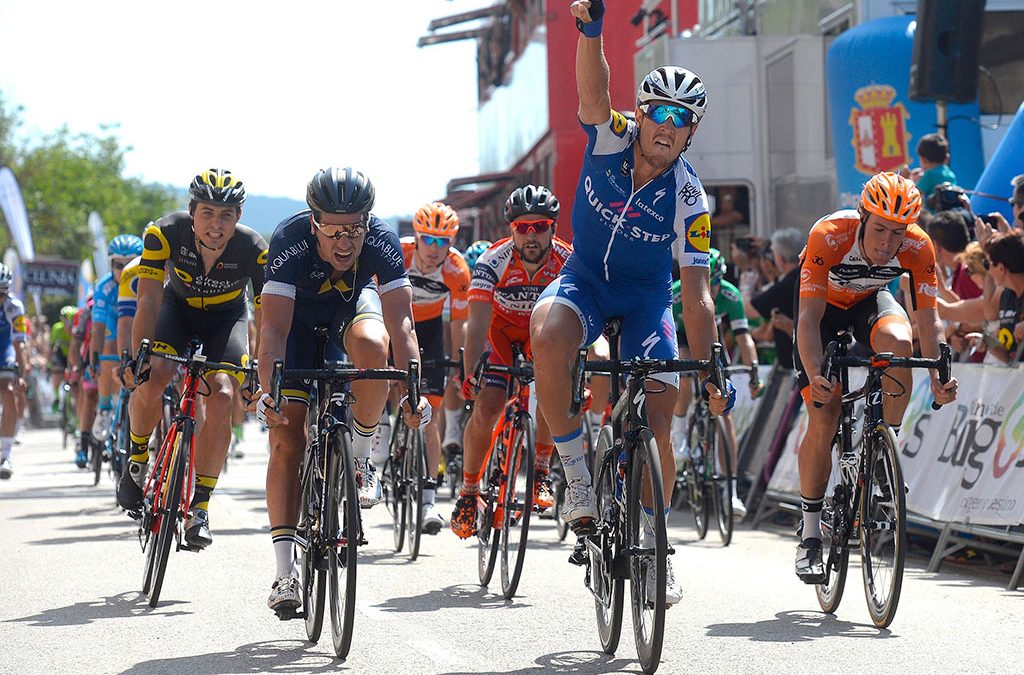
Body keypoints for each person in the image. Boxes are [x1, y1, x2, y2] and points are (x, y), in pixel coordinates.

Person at [529, 0, 733, 607]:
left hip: (647, 300)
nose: (668, 125)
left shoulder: (691, 197)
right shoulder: (610, 135)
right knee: (548, 328)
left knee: (662, 417)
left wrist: (712, 361)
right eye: (660, 112)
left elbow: (694, 293)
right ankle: (576, 478)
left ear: (692, 130)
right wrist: (589, 33)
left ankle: (656, 545)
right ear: (641, 115)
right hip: (585, 280)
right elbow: (594, 93)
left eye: (683, 117)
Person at [253, 166, 428, 617]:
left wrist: (413, 391)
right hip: (295, 329)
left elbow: (402, 324)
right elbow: (272, 329)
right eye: (333, 231)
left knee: (374, 345)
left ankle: (361, 456)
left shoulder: (383, 241)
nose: (345, 243)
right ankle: (285, 571)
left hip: (348, 319)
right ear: (314, 222)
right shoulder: (289, 239)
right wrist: (267, 390)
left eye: (354, 229)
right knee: (287, 437)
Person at [793, 171, 958, 583]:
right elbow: (809, 321)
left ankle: (885, 446)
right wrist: (816, 376)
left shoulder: (919, 247)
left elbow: (929, 320)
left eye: (897, 233)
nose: (887, 243)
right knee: (824, 415)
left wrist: (940, 371)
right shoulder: (830, 234)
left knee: (900, 343)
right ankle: (810, 535)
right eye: (880, 229)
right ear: (863, 217)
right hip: (823, 312)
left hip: (869, 302)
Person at [116, 169, 268, 555]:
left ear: (238, 217)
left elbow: (265, 320)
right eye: (207, 214)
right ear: (192, 211)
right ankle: (136, 459)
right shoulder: (163, 233)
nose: (216, 225)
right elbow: (148, 301)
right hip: (175, 309)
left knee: (221, 392)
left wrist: (261, 374)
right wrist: (139, 358)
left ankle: (199, 506)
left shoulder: (253, 249)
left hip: (228, 318)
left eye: (226, 216)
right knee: (155, 375)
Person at [449, 185, 571, 539]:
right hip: (499, 331)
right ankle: (470, 493)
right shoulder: (492, 260)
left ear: (553, 228)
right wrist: (470, 372)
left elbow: (578, 321)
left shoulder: (568, 261)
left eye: (540, 227)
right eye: (522, 228)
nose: (531, 235)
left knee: (552, 393)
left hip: (542, 332)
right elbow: (477, 326)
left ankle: (542, 474)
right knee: (487, 406)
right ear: (511, 230)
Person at [670, 248, 762, 518]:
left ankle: (731, 491)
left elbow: (743, 337)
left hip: (712, 340)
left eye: (713, 283)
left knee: (726, 409)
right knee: (685, 376)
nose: (708, 288)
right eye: (705, 282)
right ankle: (678, 436)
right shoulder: (677, 291)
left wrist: (754, 371)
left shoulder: (731, 295)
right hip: (681, 336)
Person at [400, 201, 471, 534]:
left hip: (429, 329)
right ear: (416, 237)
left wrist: (459, 365)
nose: (434, 248)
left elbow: (460, 323)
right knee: (386, 381)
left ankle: (429, 500)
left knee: (431, 412)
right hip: (394, 322)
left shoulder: (457, 270)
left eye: (443, 241)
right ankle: (380, 444)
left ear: (452, 243)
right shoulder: (398, 254)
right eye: (428, 239)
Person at [91, 235, 144, 443]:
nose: (123, 269)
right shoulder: (104, 288)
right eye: (117, 265)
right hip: (114, 326)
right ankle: (104, 408)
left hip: (138, 324)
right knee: (109, 347)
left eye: (129, 263)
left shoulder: (144, 280)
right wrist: (94, 358)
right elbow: (97, 328)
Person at [748, 228, 803, 370]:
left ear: (780, 258)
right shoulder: (805, 276)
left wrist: (746, 287)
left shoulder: (787, 284)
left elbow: (750, 309)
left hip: (796, 365)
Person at [0, 264, 29, 479]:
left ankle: (5, 454)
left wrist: (21, 376)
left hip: (5, 349)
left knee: (8, 393)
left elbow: (20, 345)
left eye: (3, 293)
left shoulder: (15, 307)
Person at [910, 133, 956, 204]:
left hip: (934, 214)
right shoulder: (950, 174)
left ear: (923, 160)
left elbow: (914, 195)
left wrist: (912, 180)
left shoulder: (929, 175)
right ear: (946, 158)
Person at [48, 305, 77, 413]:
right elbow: (50, 348)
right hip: (61, 354)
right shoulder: (57, 328)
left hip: (73, 354)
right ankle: (56, 397)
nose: (68, 327)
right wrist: (49, 364)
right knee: (57, 371)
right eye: (66, 323)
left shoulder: (77, 329)